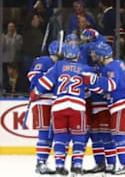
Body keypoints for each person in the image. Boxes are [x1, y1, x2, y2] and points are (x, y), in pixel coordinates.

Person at [83, 42, 125, 176]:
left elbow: (111, 85)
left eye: (97, 54)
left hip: (121, 104)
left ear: (102, 55)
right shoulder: (120, 63)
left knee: (119, 135)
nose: (95, 56)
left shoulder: (109, 68)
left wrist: (94, 80)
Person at [30, 44, 93, 176]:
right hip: (77, 106)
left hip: (58, 105)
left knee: (59, 136)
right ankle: (77, 165)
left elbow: (44, 83)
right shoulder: (84, 68)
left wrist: (35, 92)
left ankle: (59, 166)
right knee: (79, 136)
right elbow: (91, 87)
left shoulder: (58, 66)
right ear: (78, 55)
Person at [27, 40, 60, 175]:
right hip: (42, 100)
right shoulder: (45, 61)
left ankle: (43, 162)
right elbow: (33, 77)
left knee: (50, 134)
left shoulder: (58, 64)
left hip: (52, 101)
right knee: (44, 132)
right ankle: (40, 162)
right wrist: (48, 78)